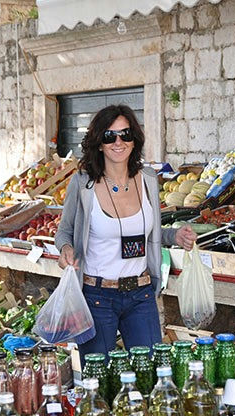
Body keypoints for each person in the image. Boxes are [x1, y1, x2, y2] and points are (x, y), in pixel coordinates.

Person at [55, 105, 197, 356]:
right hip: (97, 297)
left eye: (125, 134)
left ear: (134, 140)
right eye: (110, 136)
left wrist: (173, 235)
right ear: (99, 143)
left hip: (140, 295)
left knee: (150, 375)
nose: (118, 142)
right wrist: (66, 249)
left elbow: (149, 232)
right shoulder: (83, 183)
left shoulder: (149, 179)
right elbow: (64, 231)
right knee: (98, 383)